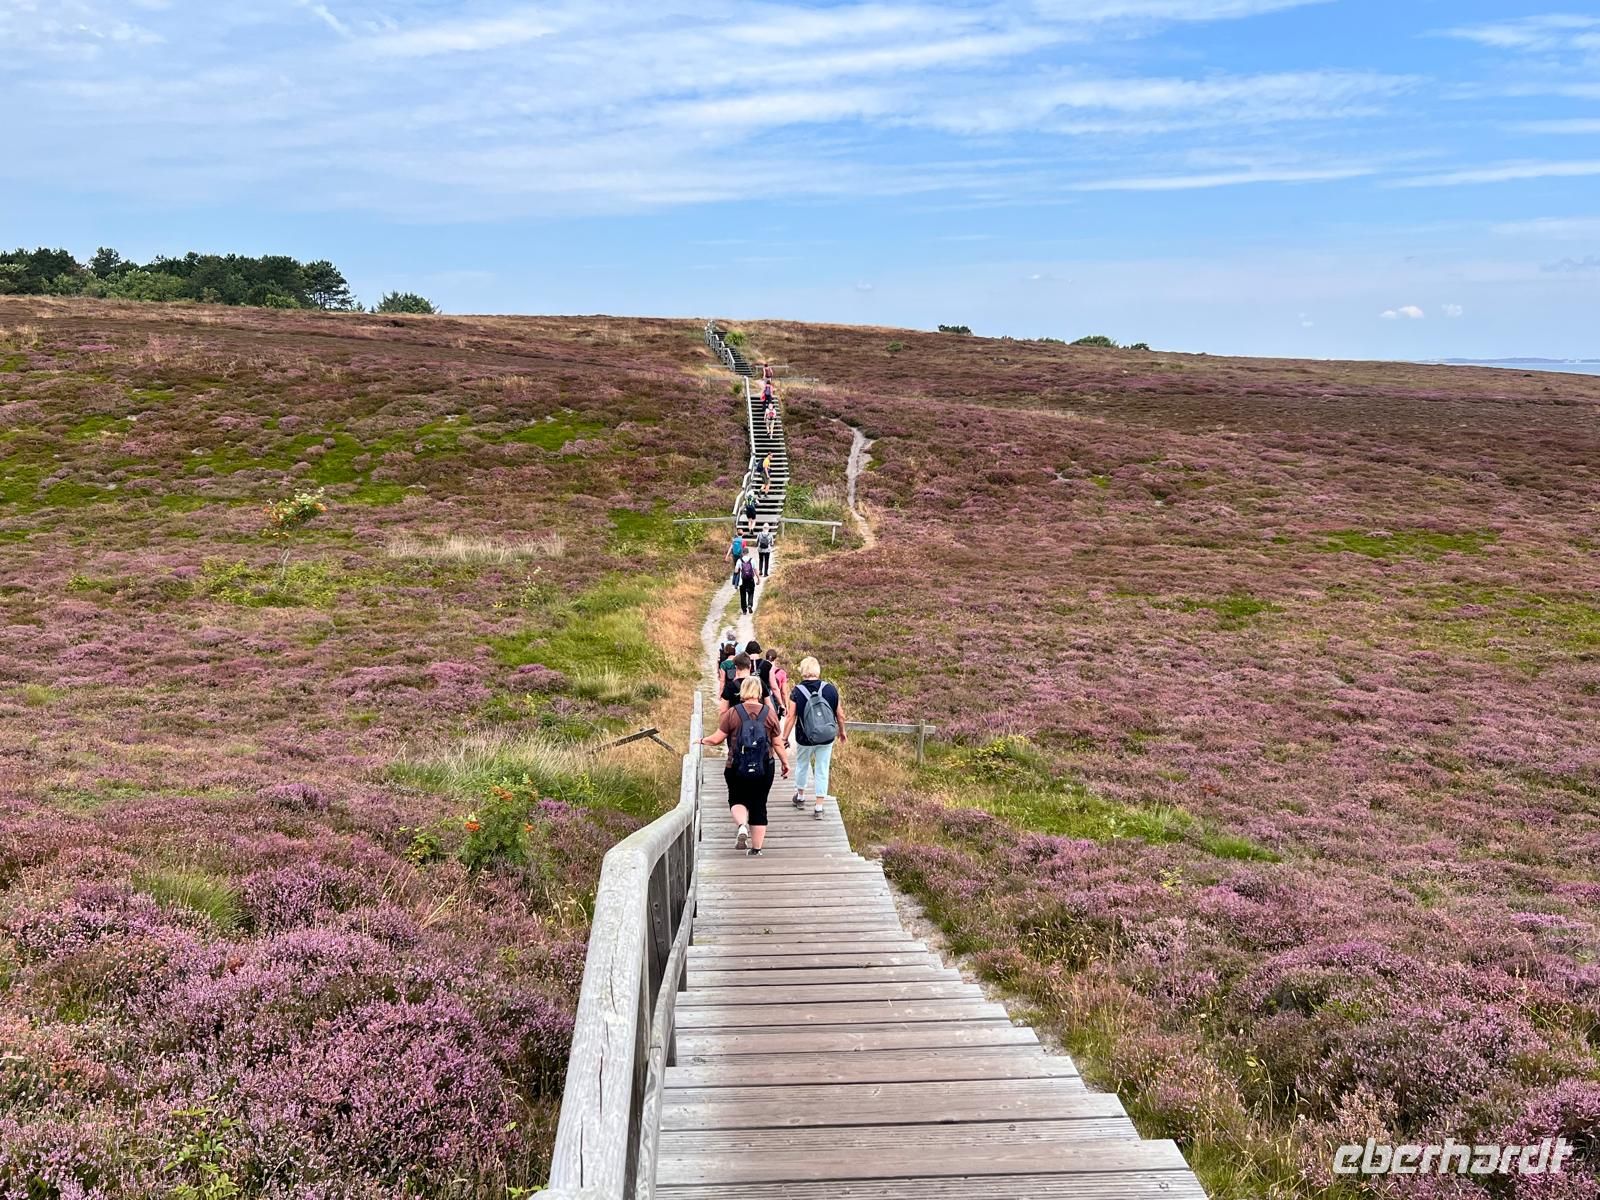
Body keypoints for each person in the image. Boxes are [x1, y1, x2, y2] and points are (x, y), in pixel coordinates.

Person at [701, 676, 788, 855]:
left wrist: (701, 740)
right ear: (758, 693)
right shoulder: (769, 713)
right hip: (764, 766)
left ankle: (742, 825)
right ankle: (756, 850)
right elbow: (778, 744)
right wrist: (785, 763)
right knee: (759, 804)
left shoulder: (732, 713)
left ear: (743, 692)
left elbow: (717, 739)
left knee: (736, 798)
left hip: (736, 766)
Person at [783, 656, 844, 820]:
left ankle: (801, 797)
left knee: (802, 764)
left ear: (803, 671)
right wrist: (842, 732)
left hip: (804, 737)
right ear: (817, 670)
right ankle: (819, 807)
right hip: (826, 737)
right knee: (822, 768)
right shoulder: (831, 689)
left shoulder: (797, 691)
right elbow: (840, 715)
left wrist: (784, 737)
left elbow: (790, 717)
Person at [765, 648, 788, 721]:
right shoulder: (782, 673)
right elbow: (784, 692)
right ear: (775, 659)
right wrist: (785, 705)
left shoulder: (762, 670)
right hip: (776, 704)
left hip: (764, 702)